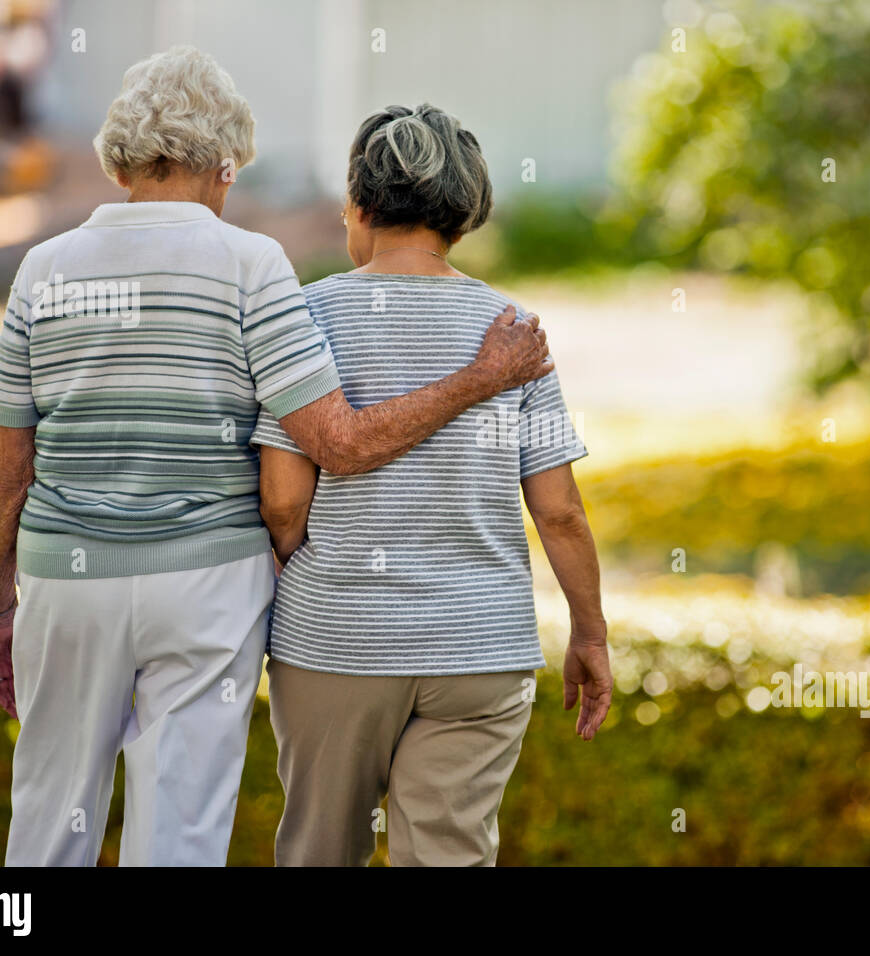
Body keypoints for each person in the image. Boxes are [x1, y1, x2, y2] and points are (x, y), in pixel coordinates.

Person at [0, 49, 552, 867]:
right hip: (205, 584)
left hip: (66, 582)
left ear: (123, 158)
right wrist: (481, 377)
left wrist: (0, 607)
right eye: (232, 171)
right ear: (219, 162)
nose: (230, 188)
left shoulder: (44, 269)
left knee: (46, 816)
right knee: (179, 830)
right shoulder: (251, 265)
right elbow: (339, 443)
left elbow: (10, 465)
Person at [255, 103, 612, 866]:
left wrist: (295, 569)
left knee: (319, 851)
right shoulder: (517, 331)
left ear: (358, 206)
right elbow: (561, 513)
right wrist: (590, 631)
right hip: (480, 649)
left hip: (336, 639)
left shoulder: (306, 317)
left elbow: (284, 499)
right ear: (463, 214)